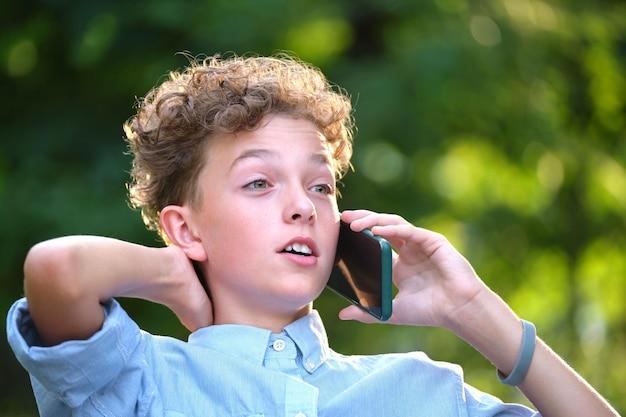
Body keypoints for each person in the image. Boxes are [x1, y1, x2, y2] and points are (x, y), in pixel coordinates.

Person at [6, 53, 619, 417]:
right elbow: (57, 272)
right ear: (184, 228)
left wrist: (475, 310)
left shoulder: (420, 391)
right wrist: (171, 274)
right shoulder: (135, 380)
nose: (302, 207)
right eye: (258, 184)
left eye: (320, 187)